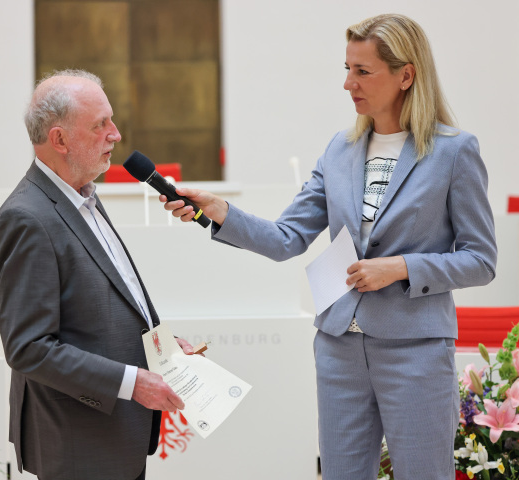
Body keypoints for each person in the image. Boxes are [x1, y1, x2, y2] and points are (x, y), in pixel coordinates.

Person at [161, 14, 496, 480]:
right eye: (346, 68)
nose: (348, 84)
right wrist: (218, 211)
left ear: (406, 74)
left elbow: (480, 260)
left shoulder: (454, 152)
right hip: (338, 347)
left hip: (415, 350)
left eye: (362, 71)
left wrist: (400, 267)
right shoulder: (339, 151)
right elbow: (285, 238)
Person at [0, 69, 197, 480]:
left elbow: (103, 303)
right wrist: (131, 382)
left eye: (111, 120)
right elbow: (29, 348)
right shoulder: (26, 218)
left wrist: (162, 347)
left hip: (115, 438)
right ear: (60, 140)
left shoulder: (80, 195)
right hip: (77, 443)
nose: (115, 134)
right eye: (100, 124)